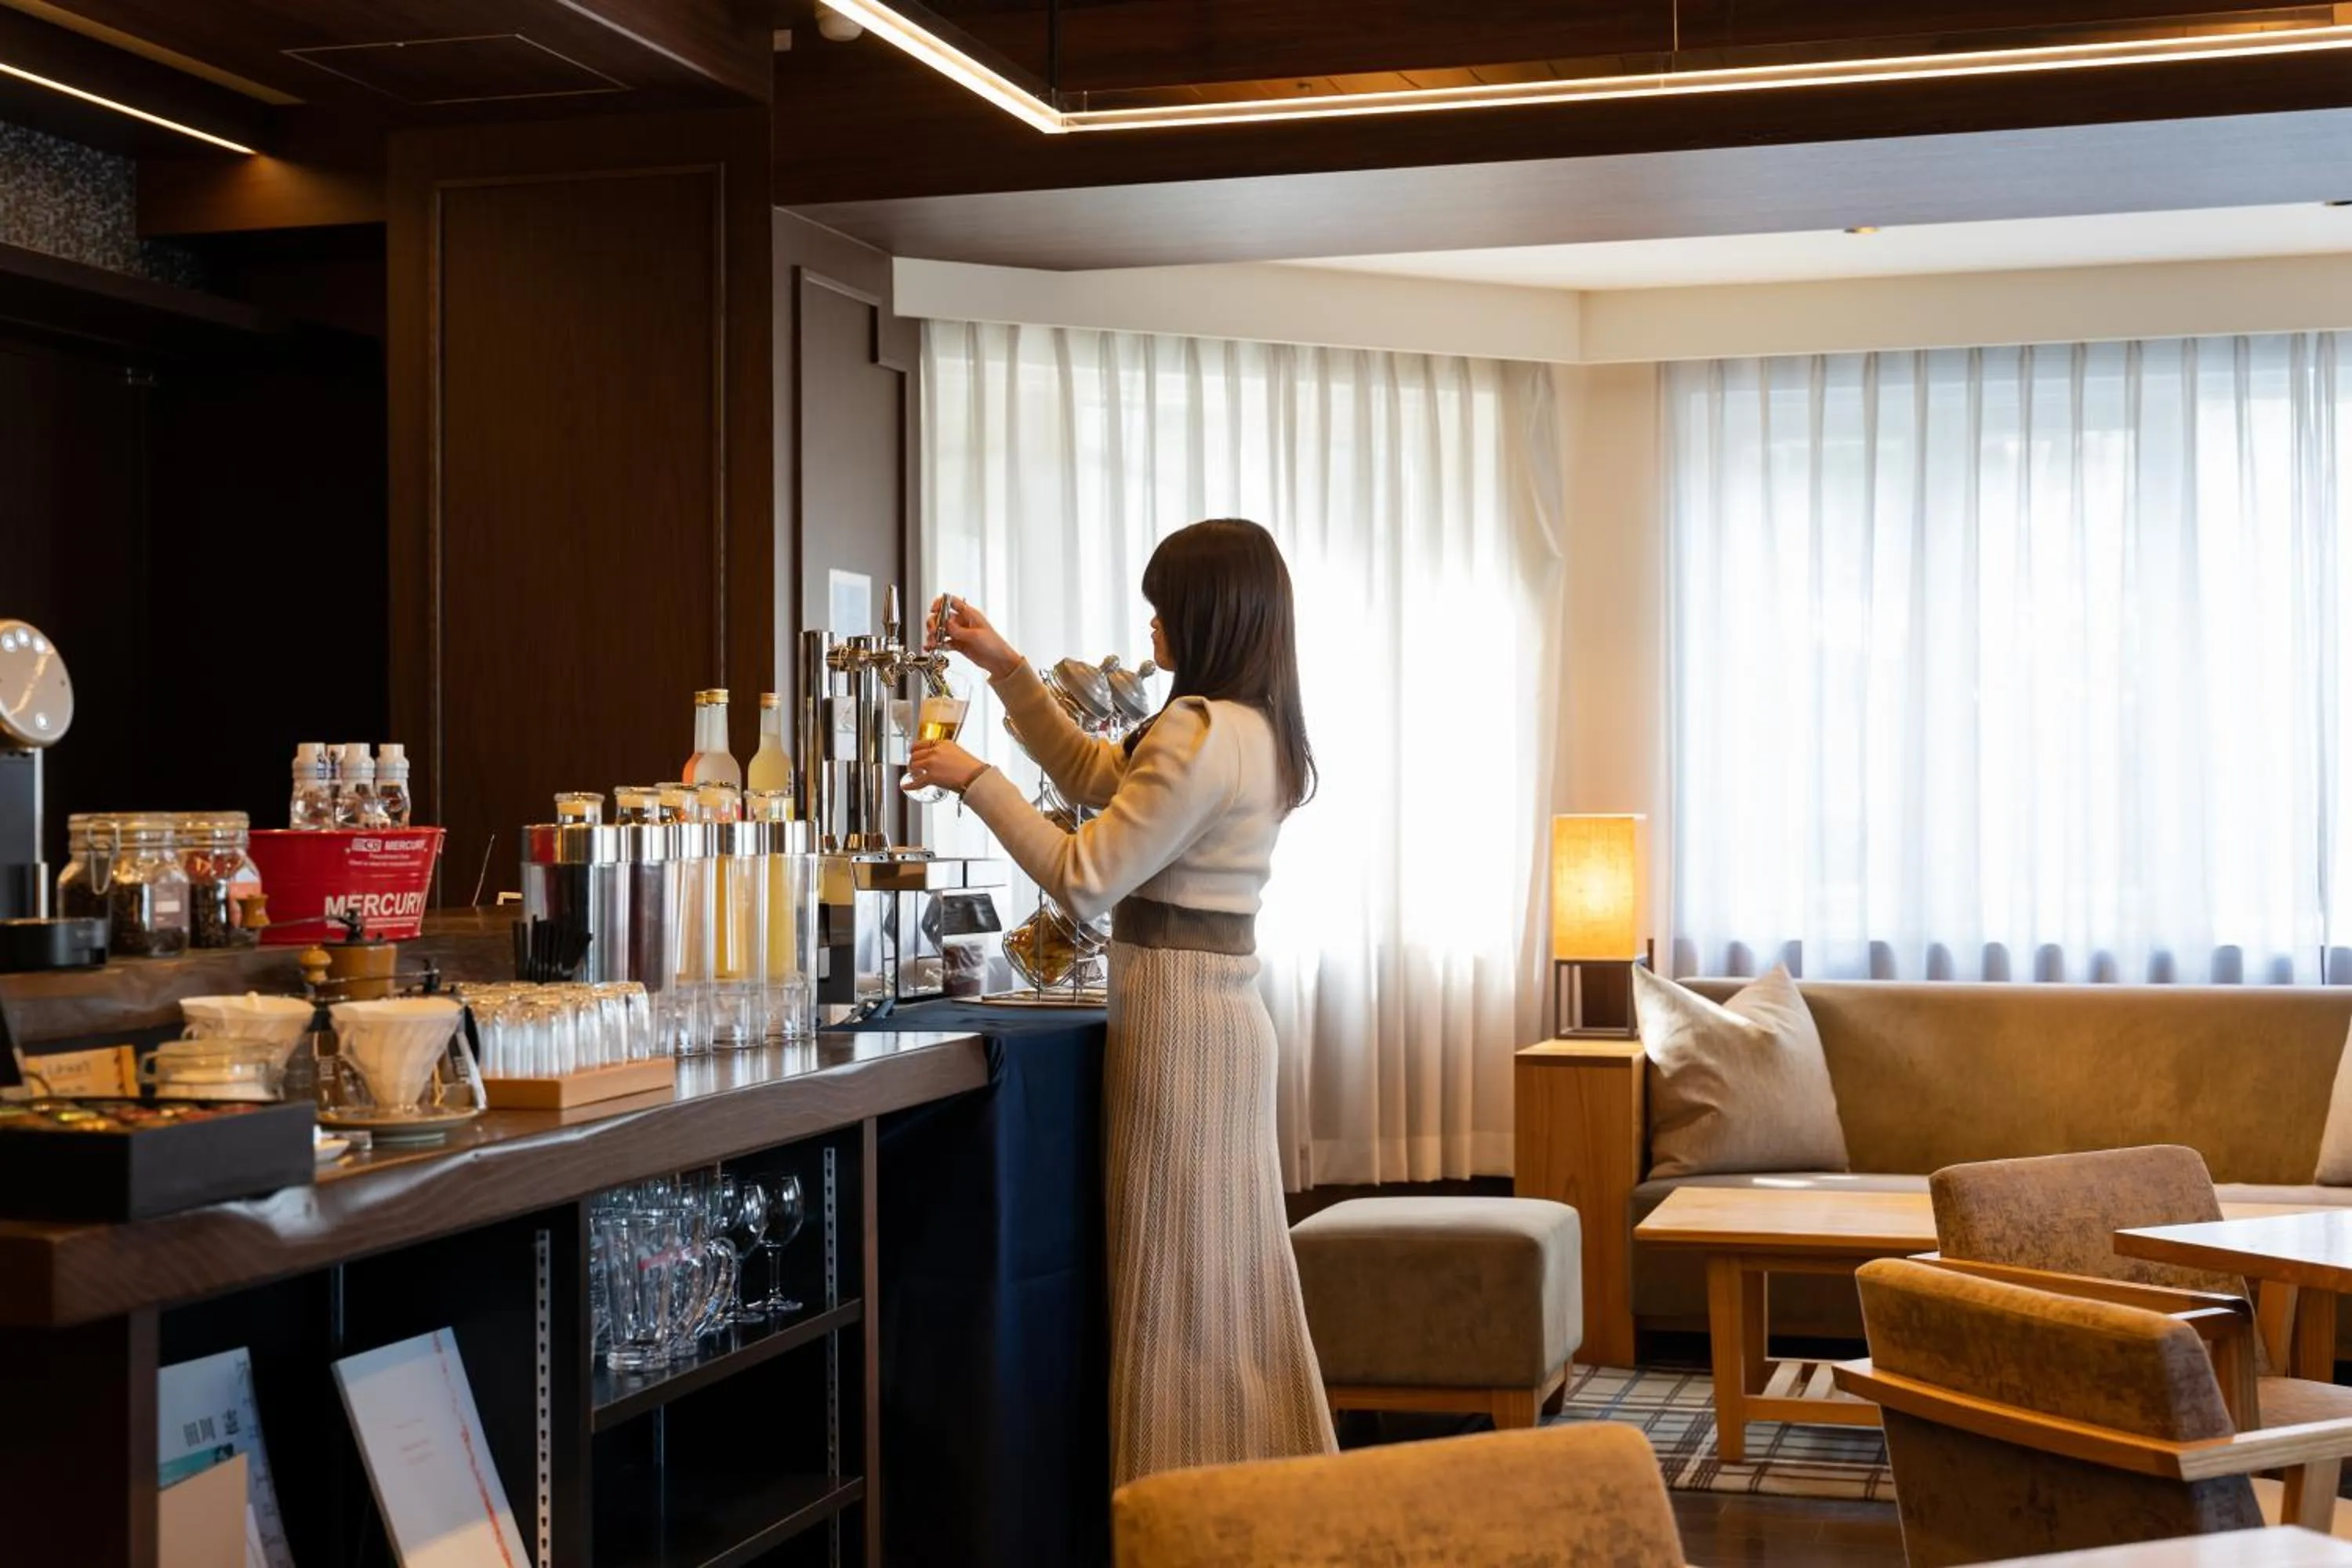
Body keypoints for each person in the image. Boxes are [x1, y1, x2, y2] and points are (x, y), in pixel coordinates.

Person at [908, 517, 1337, 1485]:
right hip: (1222, 1018)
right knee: (1224, 1282)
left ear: (1207, 612)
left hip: (1180, 1026)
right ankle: (1259, 1497)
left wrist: (972, 778)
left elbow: (1086, 875)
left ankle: (1173, 1509)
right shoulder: (1254, 726)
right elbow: (1098, 777)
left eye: (1162, 606)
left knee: (1173, 1283)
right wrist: (1005, 664)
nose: (1150, 625)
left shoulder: (1194, 730)